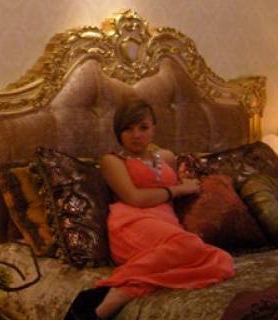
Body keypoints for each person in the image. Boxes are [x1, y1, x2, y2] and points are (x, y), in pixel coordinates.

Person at [65, 99, 234, 320]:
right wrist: (178, 189)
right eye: (128, 129)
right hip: (131, 225)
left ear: (154, 127)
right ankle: (112, 299)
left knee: (221, 260)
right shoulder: (112, 160)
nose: (136, 135)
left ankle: (111, 297)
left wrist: (188, 185)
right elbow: (135, 198)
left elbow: (176, 197)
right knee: (191, 245)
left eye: (143, 127)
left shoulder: (167, 157)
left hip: (166, 227)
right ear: (118, 132)